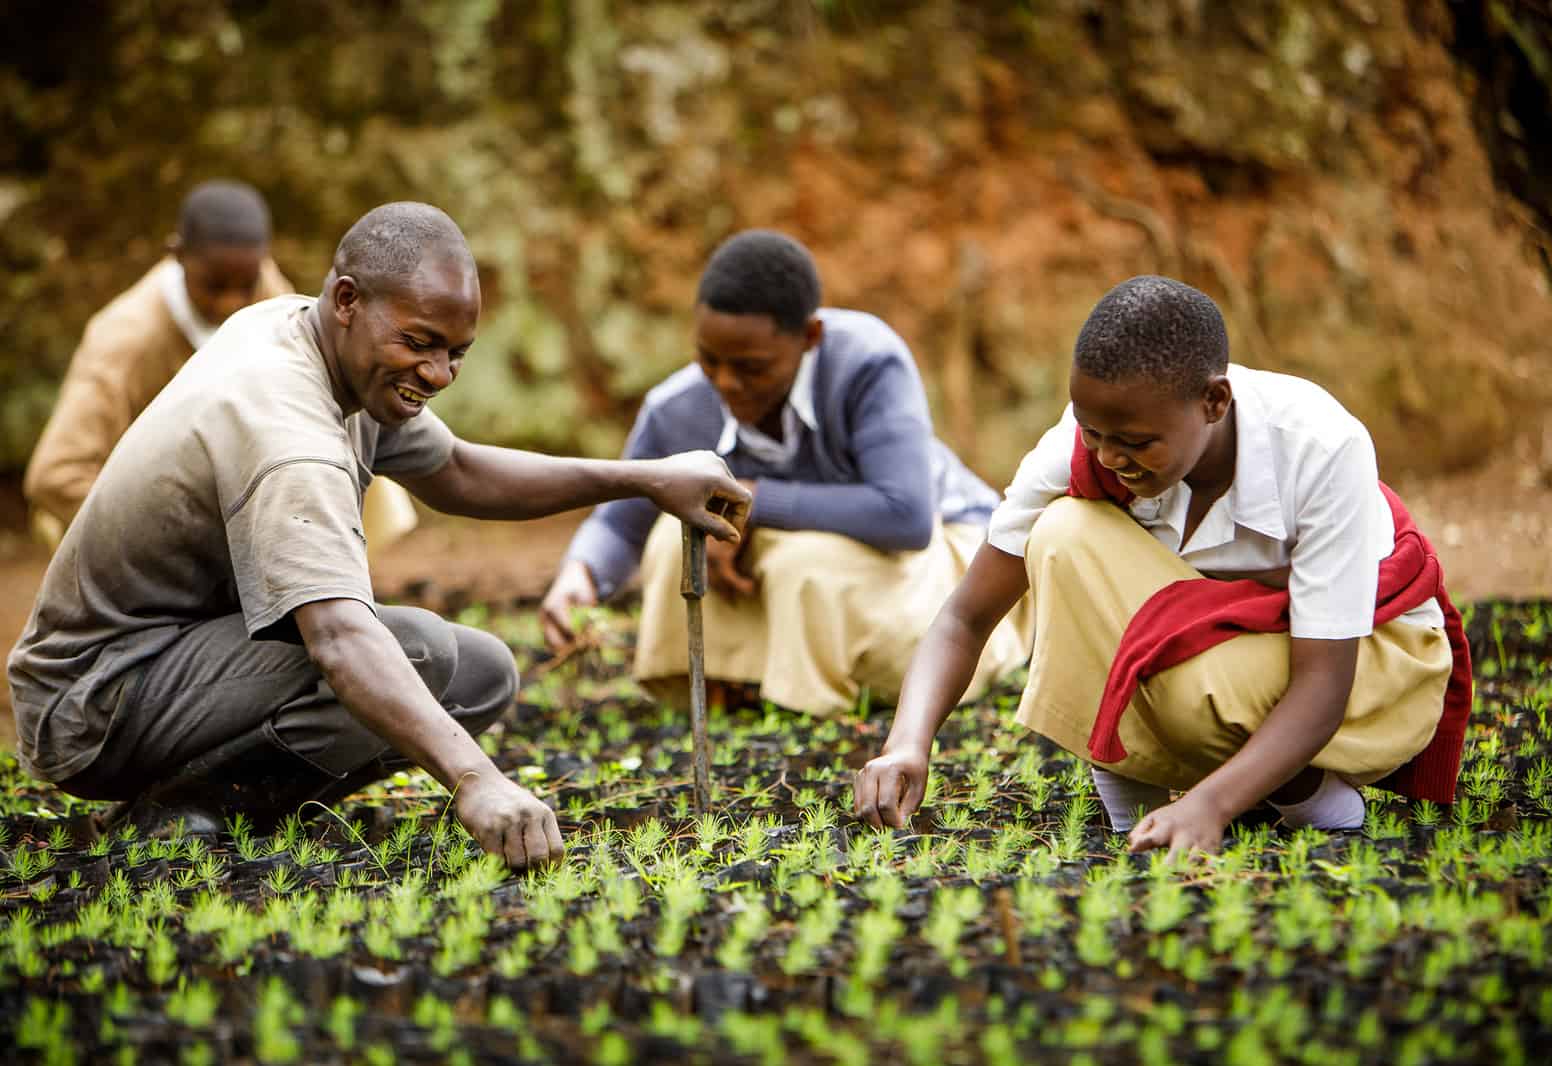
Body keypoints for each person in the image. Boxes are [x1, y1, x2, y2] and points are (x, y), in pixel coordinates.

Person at [7, 202, 750, 869]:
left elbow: (457, 469)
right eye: (420, 343)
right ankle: (188, 815)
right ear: (346, 301)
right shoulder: (287, 430)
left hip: (179, 662)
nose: (438, 372)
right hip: (95, 700)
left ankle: (219, 799)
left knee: (480, 670)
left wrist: (646, 478)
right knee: (415, 654)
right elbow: (337, 637)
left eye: (456, 352)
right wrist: (477, 782)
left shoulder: (313, 335)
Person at [854, 275, 1472, 853]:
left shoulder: (1319, 447)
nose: (1108, 456)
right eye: (1094, 432)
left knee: (1191, 682)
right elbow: (966, 617)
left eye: (1136, 442)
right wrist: (907, 744)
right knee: (1064, 534)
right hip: (1217, 649)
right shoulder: (1082, 444)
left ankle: (1309, 795)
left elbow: (1323, 684)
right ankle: (1138, 796)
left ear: (1213, 401)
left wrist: (1211, 806)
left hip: (1371, 667)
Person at [540, 229, 1028, 715]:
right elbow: (619, 524)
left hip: (937, 552)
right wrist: (579, 577)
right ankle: (736, 685)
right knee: (675, 538)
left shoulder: (868, 364)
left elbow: (905, 516)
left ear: (810, 337)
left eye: (752, 367)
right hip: (809, 564)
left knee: (805, 565)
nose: (727, 383)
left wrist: (750, 502)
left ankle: (834, 691)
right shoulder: (678, 407)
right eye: (709, 360)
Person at [23, 180, 294, 548]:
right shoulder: (126, 340)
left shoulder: (267, 294)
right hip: (142, 516)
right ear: (177, 254)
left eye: (245, 285)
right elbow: (56, 475)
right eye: (214, 287)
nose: (231, 303)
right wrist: (169, 541)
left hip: (227, 491)